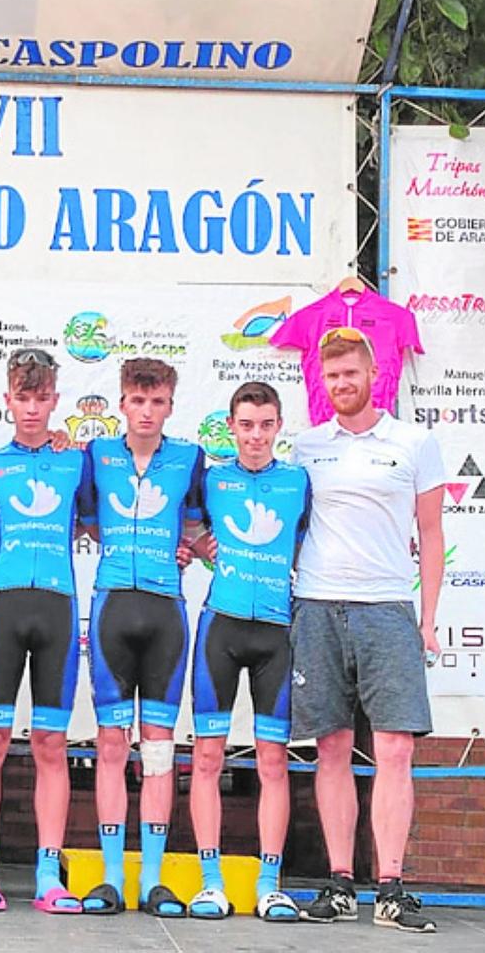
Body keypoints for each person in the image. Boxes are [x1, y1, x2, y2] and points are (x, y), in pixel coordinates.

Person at [290, 328, 444, 933]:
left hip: (387, 607)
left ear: (374, 375)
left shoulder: (414, 442)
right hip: (317, 605)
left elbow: (430, 532)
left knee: (395, 749)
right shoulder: (306, 447)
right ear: (322, 382)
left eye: (351, 373)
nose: (342, 384)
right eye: (332, 376)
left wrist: (428, 619)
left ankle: (391, 889)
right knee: (330, 747)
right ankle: (339, 885)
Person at [0, 347, 94, 915]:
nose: (32, 408)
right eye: (22, 397)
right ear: (7, 400)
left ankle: (49, 875)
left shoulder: (78, 463)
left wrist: (187, 545)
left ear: (55, 401)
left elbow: (106, 525)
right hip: (3, 611)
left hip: (57, 611)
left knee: (52, 744)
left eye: (41, 398)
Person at [80, 357, 204, 918]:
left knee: (158, 747)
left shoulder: (190, 458)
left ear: (170, 406)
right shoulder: (97, 454)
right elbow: (85, 519)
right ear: (122, 404)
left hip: (164, 613)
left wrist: (189, 546)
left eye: (157, 402)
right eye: (138, 401)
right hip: (112, 606)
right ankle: (111, 877)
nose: (147, 412)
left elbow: (199, 525)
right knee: (111, 745)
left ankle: (152, 879)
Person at [183, 382, 310, 922]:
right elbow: (182, 527)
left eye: (265, 425)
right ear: (231, 428)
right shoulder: (211, 480)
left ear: (278, 427)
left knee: (273, 761)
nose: (256, 436)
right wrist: (196, 543)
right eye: (246, 425)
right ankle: (211, 883)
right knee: (207, 757)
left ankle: (268, 885)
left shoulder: (299, 481)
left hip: (276, 634)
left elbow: (309, 542)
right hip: (222, 627)